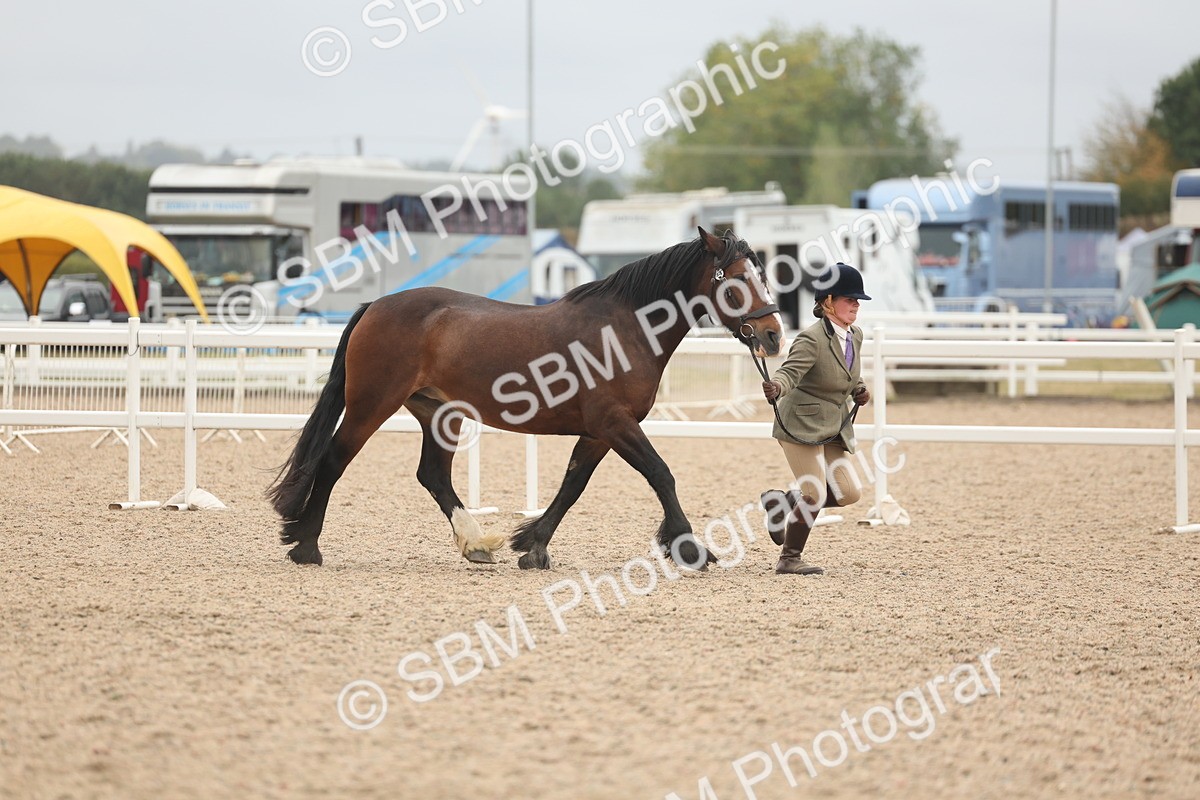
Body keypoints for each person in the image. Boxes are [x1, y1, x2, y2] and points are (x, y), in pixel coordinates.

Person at [759, 262, 872, 575]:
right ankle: (789, 558)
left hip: (833, 425)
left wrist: (859, 389)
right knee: (815, 492)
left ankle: (783, 503)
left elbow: (849, 375)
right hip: (799, 424)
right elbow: (791, 372)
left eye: (858, 300)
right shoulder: (811, 339)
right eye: (850, 299)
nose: (857, 305)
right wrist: (778, 386)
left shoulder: (855, 336)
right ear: (828, 301)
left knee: (849, 493)